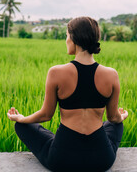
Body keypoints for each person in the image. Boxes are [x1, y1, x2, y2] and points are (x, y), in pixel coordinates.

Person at [7, 16, 128, 172]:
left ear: (74, 39)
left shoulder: (56, 72)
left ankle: (34, 129)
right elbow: (113, 118)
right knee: (116, 124)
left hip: (62, 159)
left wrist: (22, 119)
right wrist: (122, 117)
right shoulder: (111, 74)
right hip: (101, 160)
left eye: (67, 35)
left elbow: (45, 115)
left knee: (22, 126)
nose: (66, 40)